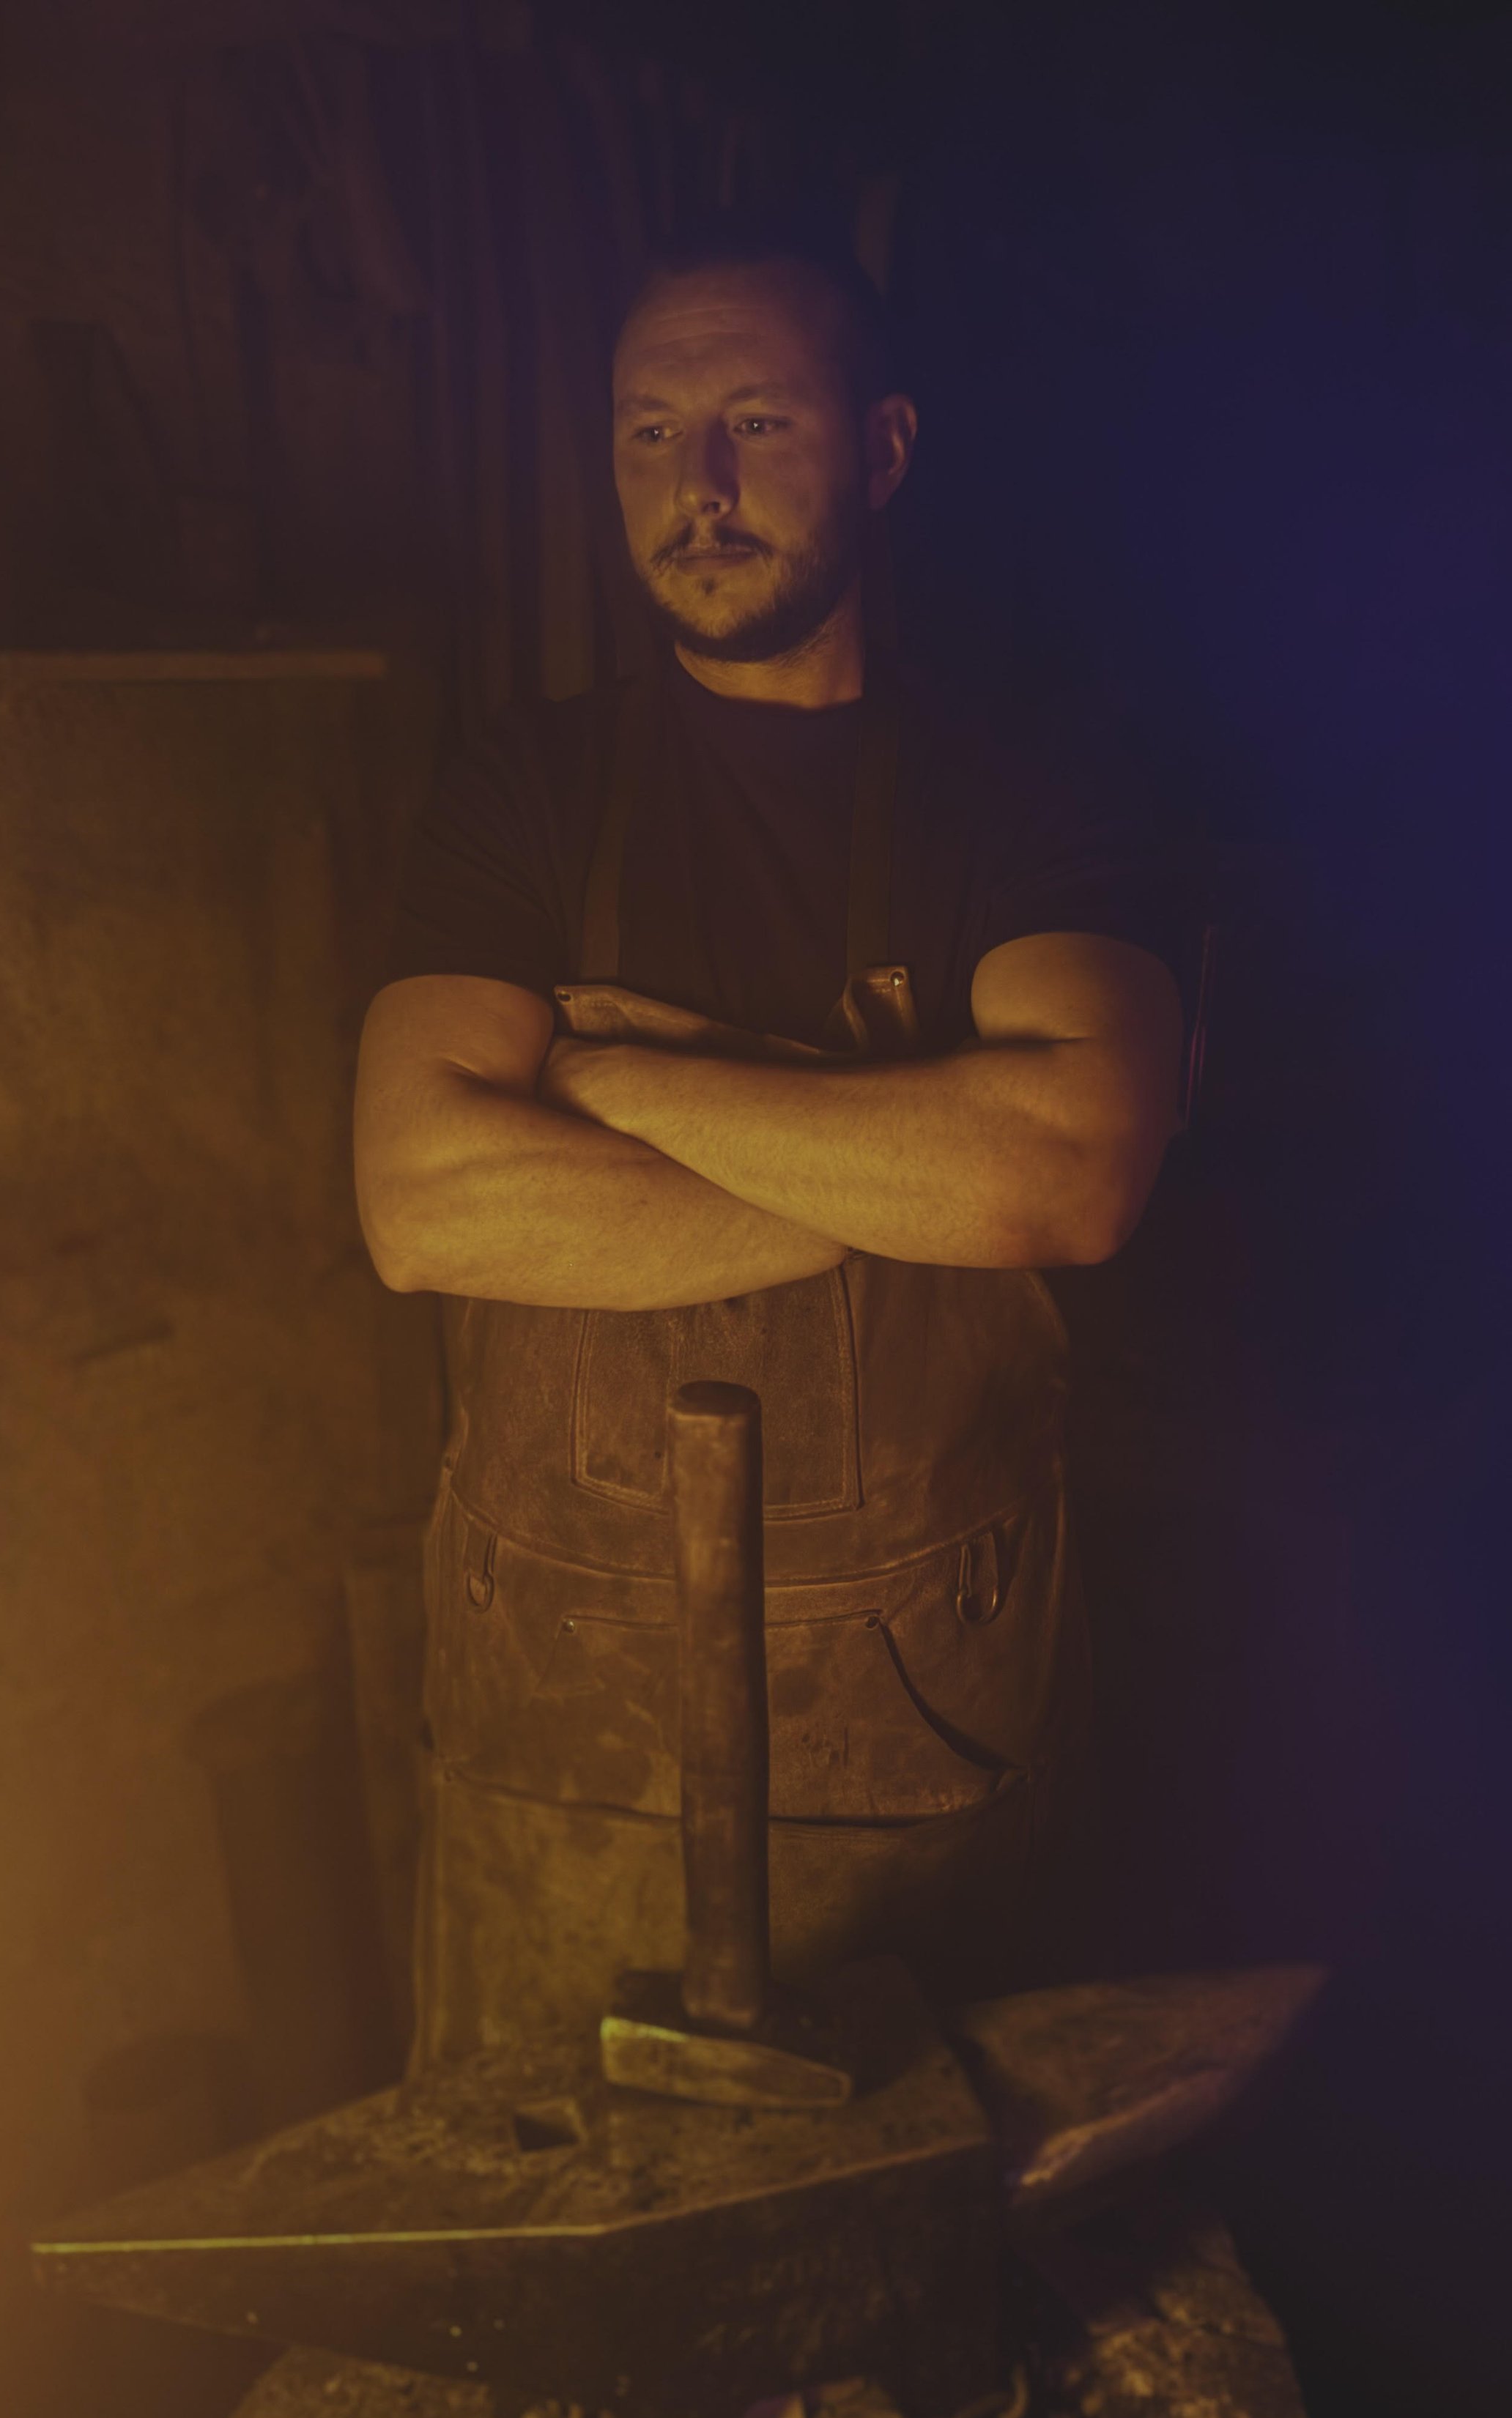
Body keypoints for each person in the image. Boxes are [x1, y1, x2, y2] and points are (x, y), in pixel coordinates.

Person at [354, 221, 1185, 2064]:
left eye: (752, 423)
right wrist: (888, 1171)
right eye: (649, 434)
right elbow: (423, 1198)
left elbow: (1065, 1171)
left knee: (920, 2303)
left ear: (879, 449)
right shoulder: (525, 785)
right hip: (541, 1753)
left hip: (913, 1747)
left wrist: (631, 1084)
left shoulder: (1021, 787)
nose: (696, 487)